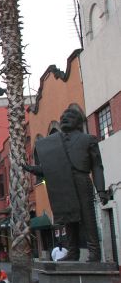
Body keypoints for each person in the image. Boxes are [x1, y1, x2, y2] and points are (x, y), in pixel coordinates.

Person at [24, 107, 109, 262]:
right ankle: (73, 252)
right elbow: (48, 169)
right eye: (62, 116)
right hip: (63, 181)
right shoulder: (55, 142)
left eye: (69, 115)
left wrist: (101, 190)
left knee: (88, 217)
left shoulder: (88, 139)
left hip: (82, 179)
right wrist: (31, 168)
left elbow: (97, 166)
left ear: (77, 121)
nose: (64, 118)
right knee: (69, 217)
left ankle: (95, 253)